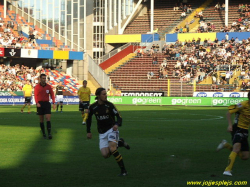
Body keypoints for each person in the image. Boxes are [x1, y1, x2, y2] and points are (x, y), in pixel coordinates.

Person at [86, 88, 130, 176]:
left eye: (105, 94)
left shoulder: (110, 105)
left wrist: (117, 125)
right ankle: (120, 142)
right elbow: (89, 119)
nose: (106, 95)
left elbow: (119, 116)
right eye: (103, 94)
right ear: (98, 96)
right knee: (105, 155)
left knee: (112, 148)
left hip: (111, 130)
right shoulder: (93, 107)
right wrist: (88, 131)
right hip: (102, 133)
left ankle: (123, 171)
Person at [217, 91, 250, 176]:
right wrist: (230, 125)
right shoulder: (242, 104)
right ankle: (227, 170)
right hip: (237, 128)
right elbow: (228, 113)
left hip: (245, 130)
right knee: (237, 148)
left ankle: (225, 145)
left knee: (245, 157)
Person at [34, 74, 56, 139]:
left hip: (47, 104)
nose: (44, 79)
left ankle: (49, 133)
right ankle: (44, 134)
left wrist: (54, 103)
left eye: (45, 78)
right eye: (43, 78)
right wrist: (37, 103)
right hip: (40, 104)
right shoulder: (37, 87)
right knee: (41, 120)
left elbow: (52, 94)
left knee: (48, 118)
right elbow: (35, 95)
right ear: (40, 79)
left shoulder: (48, 87)